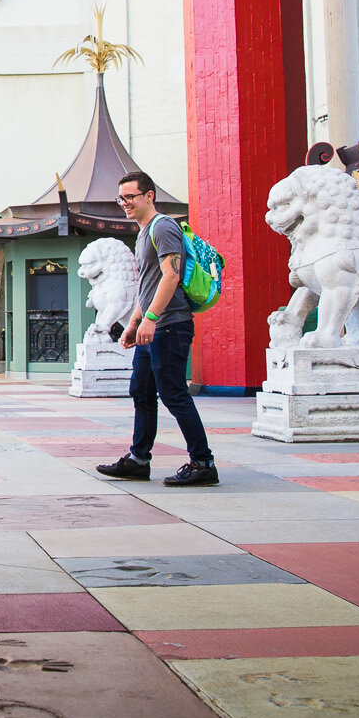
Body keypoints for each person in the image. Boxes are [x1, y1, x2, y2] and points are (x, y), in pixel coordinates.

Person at [98, 171, 218, 487]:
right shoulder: (143, 233)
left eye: (130, 197)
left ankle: (203, 463)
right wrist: (134, 323)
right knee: (141, 390)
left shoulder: (163, 227)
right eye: (120, 198)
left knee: (174, 393)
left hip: (170, 326)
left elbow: (170, 276)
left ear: (149, 196)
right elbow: (147, 284)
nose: (124, 203)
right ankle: (139, 459)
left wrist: (150, 319)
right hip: (152, 327)